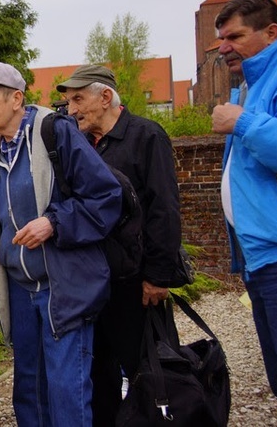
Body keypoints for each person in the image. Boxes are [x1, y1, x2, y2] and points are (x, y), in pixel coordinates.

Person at [0, 62, 122, 426]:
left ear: (16, 98)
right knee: (30, 393)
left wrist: (53, 222)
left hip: (64, 287)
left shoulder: (55, 133)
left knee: (66, 393)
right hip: (19, 290)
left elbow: (105, 197)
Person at [57, 64, 182, 425]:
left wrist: (158, 275)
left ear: (106, 96)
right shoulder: (78, 145)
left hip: (136, 282)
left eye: (78, 99)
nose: (72, 109)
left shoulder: (145, 136)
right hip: (93, 283)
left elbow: (164, 208)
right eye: (68, 102)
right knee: (99, 378)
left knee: (149, 372)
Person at [211, 0, 277, 416]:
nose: (223, 48)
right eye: (221, 38)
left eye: (234, 37)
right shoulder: (253, 84)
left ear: (271, 32)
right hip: (263, 253)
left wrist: (240, 121)